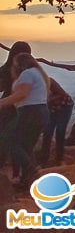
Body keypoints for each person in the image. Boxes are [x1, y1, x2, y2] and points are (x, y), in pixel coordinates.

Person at [0, 52, 50, 188]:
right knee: (26, 146)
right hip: (39, 112)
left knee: (12, 142)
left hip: (30, 113)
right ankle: (28, 180)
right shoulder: (37, 73)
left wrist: (2, 103)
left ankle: (31, 171)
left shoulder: (27, 74)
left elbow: (22, 94)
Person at [0, 41, 31, 170]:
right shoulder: (29, 71)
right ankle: (20, 171)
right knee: (15, 140)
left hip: (9, 106)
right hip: (19, 107)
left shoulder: (7, 69)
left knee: (7, 138)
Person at [39, 78, 74, 166]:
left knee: (60, 131)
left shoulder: (48, 81)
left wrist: (47, 100)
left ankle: (59, 159)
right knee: (47, 132)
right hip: (51, 109)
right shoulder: (29, 86)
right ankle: (43, 161)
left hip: (64, 106)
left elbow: (61, 93)